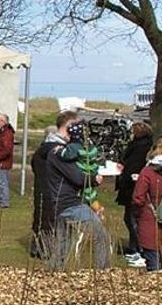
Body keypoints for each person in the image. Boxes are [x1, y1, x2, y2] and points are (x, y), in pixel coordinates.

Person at [46, 113, 110, 270]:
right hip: (69, 203)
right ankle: (102, 273)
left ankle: (53, 274)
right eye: (79, 127)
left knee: (63, 245)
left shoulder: (68, 151)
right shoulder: (59, 152)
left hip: (65, 203)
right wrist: (94, 178)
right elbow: (78, 178)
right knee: (100, 235)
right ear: (69, 127)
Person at [132, 137, 162, 271]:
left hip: (151, 227)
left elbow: (138, 199)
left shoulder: (147, 172)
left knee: (154, 274)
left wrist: (138, 217)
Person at [117, 122, 153, 266]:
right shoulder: (140, 145)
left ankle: (139, 248)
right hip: (130, 186)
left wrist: (123, 172)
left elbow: (133, 166)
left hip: (132, 186)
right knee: (130, 218)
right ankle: (134, 246)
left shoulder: (140, 147)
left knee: (132, 218)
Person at [29, 125, 60, 259]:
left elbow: (34, 167)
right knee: (49, 220)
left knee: (39, 218)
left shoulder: (38, 152)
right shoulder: (55, 152)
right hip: (52, 189)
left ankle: (36, 247)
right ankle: (45, 250)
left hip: (40, 187)